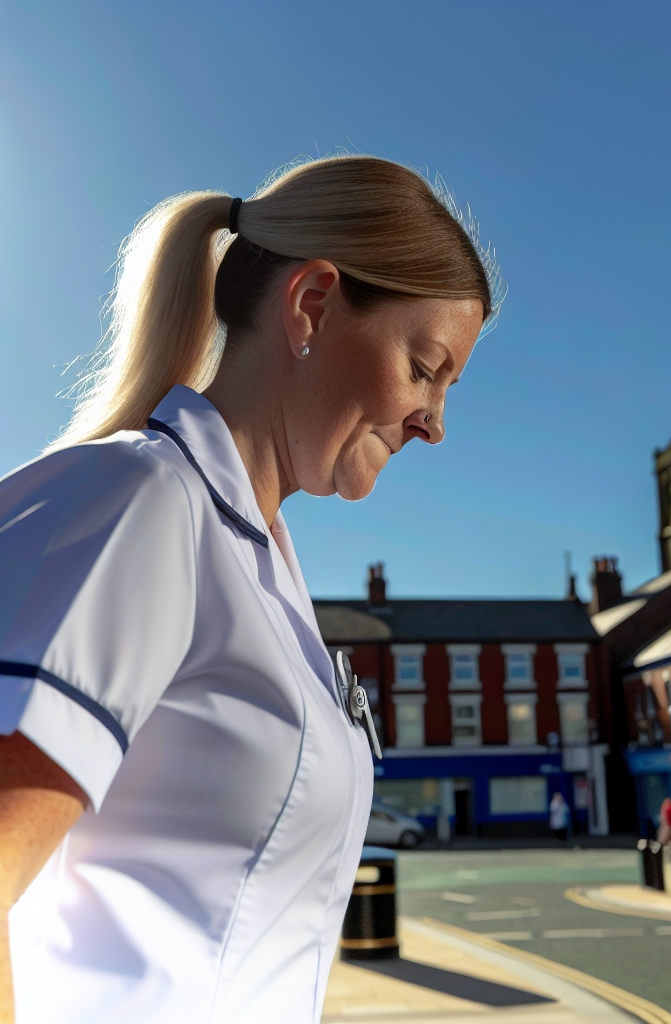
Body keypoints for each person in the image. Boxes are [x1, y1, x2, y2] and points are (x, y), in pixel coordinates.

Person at [0, 156, 503, 1024]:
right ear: (311, 306)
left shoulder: (261, 563)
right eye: (426, 368)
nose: (436, 424)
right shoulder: (144, 505)